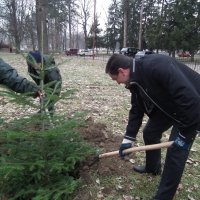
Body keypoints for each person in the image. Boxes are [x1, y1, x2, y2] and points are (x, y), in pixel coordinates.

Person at [105, 53, 200, 200]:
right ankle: (153, 167)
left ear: (122, 71)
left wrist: (185, 136)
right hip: (172, 106)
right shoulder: (135, 81)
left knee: (176, 151)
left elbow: (191, 99)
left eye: (115, 79)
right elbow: (136, 110)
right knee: (150, 132)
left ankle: (163, 197)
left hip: (192, 106)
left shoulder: (156, 65)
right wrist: (127, 139)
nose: (117, 82)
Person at [27, 51, 62, 116]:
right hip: (41, 81)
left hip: (54, 84)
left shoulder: (51, 72)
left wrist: (51, 95)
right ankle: (42, 111)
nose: (35, 67)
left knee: (49, 100)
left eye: (37, 64)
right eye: (33, 64)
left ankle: (51, 116)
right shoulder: (30, 61)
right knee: (42, 96)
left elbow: (55, 87)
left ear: (41, 62)